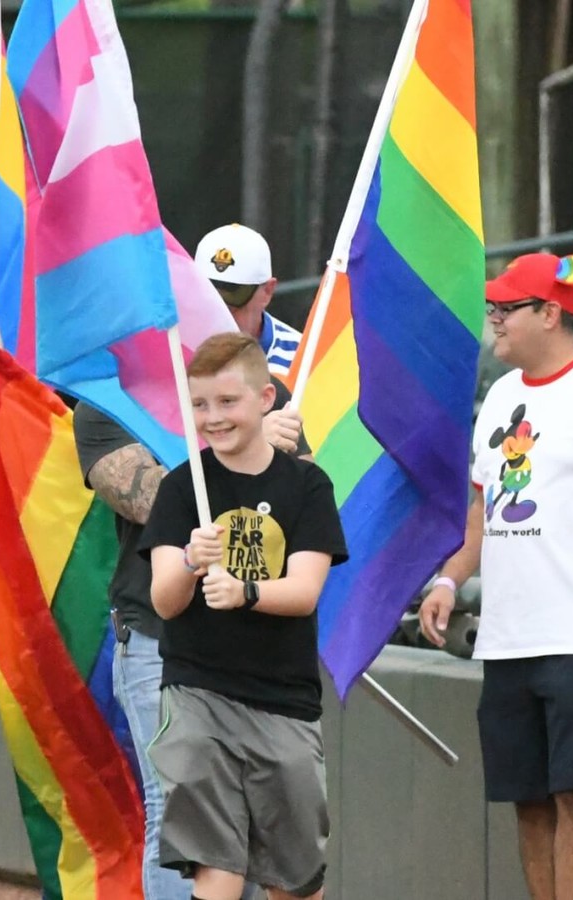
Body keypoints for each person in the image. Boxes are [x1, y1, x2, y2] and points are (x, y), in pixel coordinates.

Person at [418, 253, 573, 900]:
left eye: (506, 309)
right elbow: (481, 507)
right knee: (527, 799)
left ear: (550, 313)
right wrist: (449, 579)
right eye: (492, 309)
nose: (493, 321)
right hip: (507, 636)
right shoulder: (500, 394)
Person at [75, 371, 313, 899]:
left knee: (255, 817)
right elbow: (153, 503)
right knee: (185, 810)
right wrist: (247, 454)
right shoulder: (107, 394)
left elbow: (308, 508)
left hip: (259, 641)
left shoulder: (263, 390)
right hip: (162, 640)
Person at [142, 332, 347, 900]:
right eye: (200, 405)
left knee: (294, 878)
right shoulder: (183, 488)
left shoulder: (307, 485)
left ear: (265, 398)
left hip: (283, 703)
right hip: (197, 695)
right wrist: (189, 560)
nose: (213, 418)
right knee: (216, 864)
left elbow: (305, 591)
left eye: (227, 402)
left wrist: (245, 590)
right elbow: (164, 599)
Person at [194, 224, 303, 376]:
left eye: (231, 303)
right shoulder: (173, 350)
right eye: (209, 299)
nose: (220, 314)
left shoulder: (304, 359)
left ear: (267, 291)